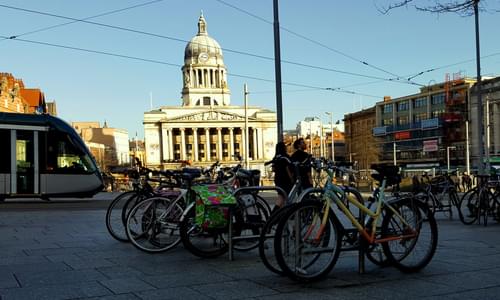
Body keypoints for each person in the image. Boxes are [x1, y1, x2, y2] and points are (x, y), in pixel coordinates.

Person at [269, 142, 293, 210]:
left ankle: (281, 213)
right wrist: (291, 178)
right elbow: (287, 168)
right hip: (285, 179)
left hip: (277, 178)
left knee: (281, 196)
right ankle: (275, 213)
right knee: (283, 197)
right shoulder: (285, 157)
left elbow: (273, 169)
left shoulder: (275, 157)